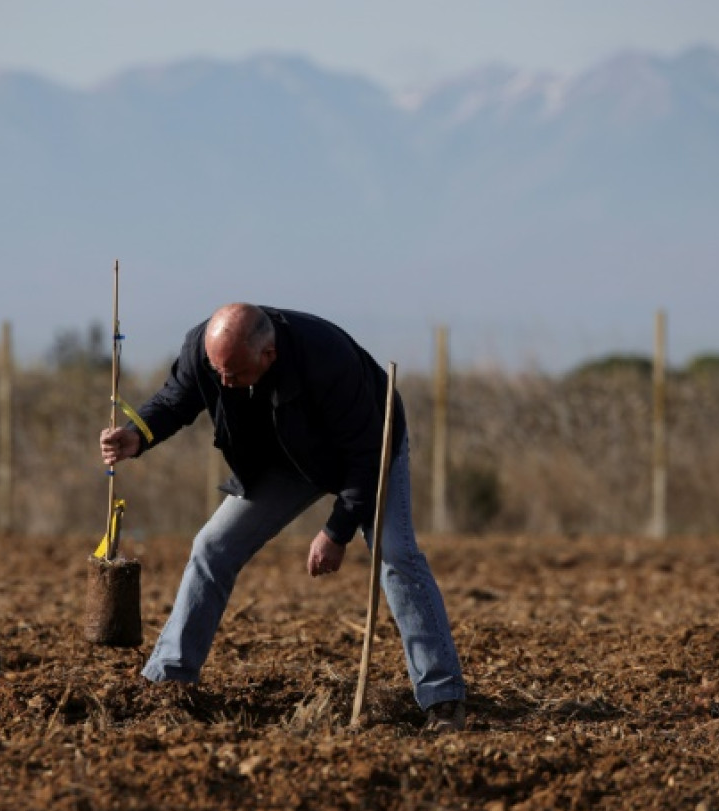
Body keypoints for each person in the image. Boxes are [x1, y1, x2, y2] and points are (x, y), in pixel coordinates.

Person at [100, 303, 467, 732]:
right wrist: (137, 434)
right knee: (212, 547)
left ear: (268, 354)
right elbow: (176, 400)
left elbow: (367, 456)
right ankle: (169, 680)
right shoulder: (206, 349)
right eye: (216, 369)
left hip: (366, 452)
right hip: (283, 458)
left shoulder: (328, 359)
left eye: (233, 374)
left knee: (395, 553)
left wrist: (336, 531)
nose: (223, 382)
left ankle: (442, 696)